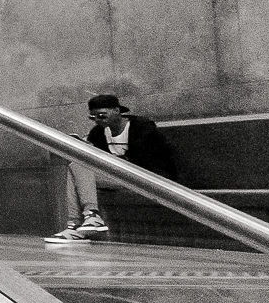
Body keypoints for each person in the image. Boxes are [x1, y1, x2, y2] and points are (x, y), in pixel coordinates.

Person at [47, 94, 179, 245]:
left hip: (147, 177)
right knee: (74, 166)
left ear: (116, 110)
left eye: (102, 115)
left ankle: (89, 217)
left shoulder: (141, 127)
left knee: (80, 166)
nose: (98, 120)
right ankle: (76, 224)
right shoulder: (98, 133)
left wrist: (111, 160)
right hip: (119, 177)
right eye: (93, 117)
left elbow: (148, 161)